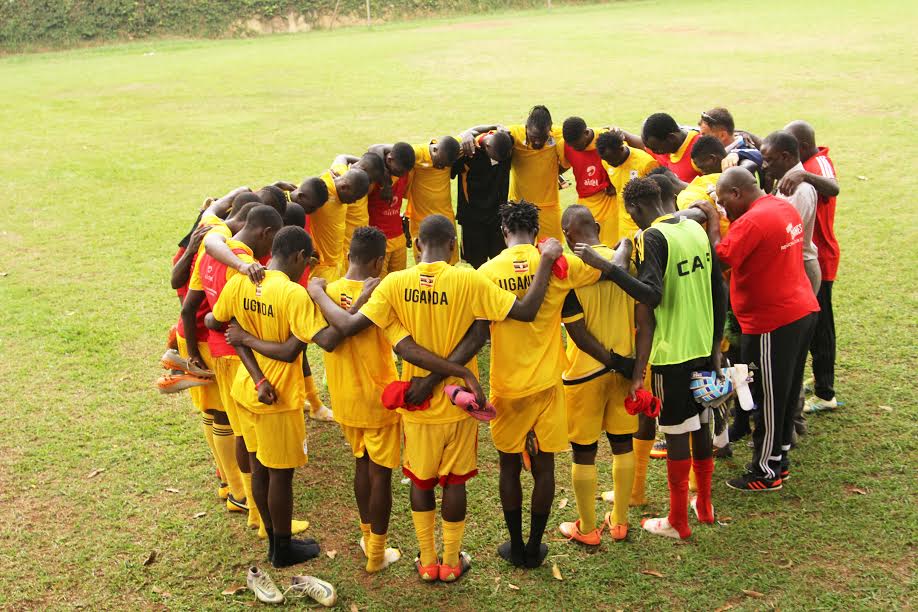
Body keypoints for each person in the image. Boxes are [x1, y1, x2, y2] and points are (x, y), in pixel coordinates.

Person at [306, 214, 564, 582]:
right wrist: (453, 373)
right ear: (454, 246)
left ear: (415, 247)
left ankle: (427, 562)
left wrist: (427, 381)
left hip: (417, 403)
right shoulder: (470, 278)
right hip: (459, 405)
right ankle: (451, 560)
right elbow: (518, 314)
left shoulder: (395, 283)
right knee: (455, 483)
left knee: (422, 482)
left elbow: (369, 334)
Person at [226, 227, 408, 573]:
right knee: (380, 474)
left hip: (344, 399)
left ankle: (364, 535)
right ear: (379, 261)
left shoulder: (325, 291)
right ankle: (376, 552)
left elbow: (334, 335)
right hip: (378, 397)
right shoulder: (382, 290)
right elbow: (336, 336)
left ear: (347, 257)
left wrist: (320, 292)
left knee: (360, 465)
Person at [574, 177, 725, 539]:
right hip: (703, 344)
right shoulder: (693, 227)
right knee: (701, 425)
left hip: (673, 350)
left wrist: (606, 266)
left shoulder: (652, 238)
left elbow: (651, 297)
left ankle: (677, 521)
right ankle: (703, 505)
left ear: (635, 210)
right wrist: (717, 344)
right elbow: (718, 288)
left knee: (675, 432)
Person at [480, 201, 611, 567]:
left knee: (508, 467)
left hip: (506, 386)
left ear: (504, 232)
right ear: (536, 233)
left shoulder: (487, 272)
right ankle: (536, 546)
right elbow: (606, 267)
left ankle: (515, 545)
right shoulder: (556, 267)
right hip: (548, 384)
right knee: (544, 468)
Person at [209, 226, 340, 568]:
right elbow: (322, 342)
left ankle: (272, 537)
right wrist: (321, 296)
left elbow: (216, 319)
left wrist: (243, 335)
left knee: (259, 468)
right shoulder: (293, 294)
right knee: (280, 474)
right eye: (307, 262)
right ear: (299, 257)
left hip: (246, 387)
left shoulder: (241, 281)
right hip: (277, 398)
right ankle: (282, 548)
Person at [696, 167, 820, 490]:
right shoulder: (781, 207)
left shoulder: (752, 221)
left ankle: (765, 471)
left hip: (771, 322)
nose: (723, 209)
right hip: (801, 310)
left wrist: (711, 220)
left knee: (766, 395)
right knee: (787, 389)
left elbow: (720, 257)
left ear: (736, 193)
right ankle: (779, 458)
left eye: (723, 202)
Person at [196, 205, 284, 533]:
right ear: (266, 233)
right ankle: (261, 517)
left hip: (218, 353)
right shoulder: (246, 267)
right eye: (271, 244)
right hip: (238, 358)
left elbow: (209, 238)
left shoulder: (216, 245)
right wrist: (260, 375)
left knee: (238, 432)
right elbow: (238, 322)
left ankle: (247, 505)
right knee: (252, 439)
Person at [556, 205, 638, 544]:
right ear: (598, 227)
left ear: (566, 235)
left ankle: (587, 528)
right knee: (622, 443)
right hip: (624, 367)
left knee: (584, 451)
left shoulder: (570, 269)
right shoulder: (627, 262)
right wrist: (621, 362)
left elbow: (577, 333)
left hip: (584, 372)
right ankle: (619, 521)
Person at [783, 120, 841, 414]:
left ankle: (825, 392)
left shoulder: (818, 162)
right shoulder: (805, 165)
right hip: (807, 258)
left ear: (802, 148)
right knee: (809, 323)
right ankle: (816, 380)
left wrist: (803, 173)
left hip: (821, 259)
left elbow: (834, 188)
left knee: (821, 327)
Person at [459, 106, 566, 241]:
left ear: (550, 128)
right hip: (519, 208)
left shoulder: (559, 135)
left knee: (553, 252)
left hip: (549, 208)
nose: (538, 141)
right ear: (526, 127)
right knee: (519, 253)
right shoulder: (514, 134)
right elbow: (485, 137)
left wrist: (555, 172)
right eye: (534, 137)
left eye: (542, 137)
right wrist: (469, 135)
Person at [452, 129, 513, 268]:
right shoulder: (467, 151)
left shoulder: (507, 145)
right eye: (495, 158)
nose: (498, 161)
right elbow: (445, 159)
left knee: (501, 267)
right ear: (488, 147)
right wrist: (465, 134)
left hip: (499, 220)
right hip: (473, 223)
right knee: (476, 267)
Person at [307, 165, 371, 282]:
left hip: (338, 263)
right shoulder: (320, 193)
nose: (354, 202)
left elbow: (342, 158)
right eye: (355, 197)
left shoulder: (341, 187)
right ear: (344, 187)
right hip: (321, 268)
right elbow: (296, 200)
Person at [560, 117, 619, 245]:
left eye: (576, 144)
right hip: (585, 203)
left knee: (611, 247)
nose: (574, 148)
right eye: (571, 145)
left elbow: (623, 160)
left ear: (586, 133)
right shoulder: (565, 145)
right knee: (588, 248)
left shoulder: (605, 137)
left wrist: (614, 183)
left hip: (609, 201)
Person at [595, 129, 659, 242]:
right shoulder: (607, 161)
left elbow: (658, 197)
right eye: (606, 160)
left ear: (621, 148)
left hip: (644, 222)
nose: (610, 164)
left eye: (612, 160)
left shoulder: (646, 163)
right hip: (624, 223)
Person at [406, 136, 462, 264]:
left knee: (449, 265)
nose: (442, 167)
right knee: (424, 266)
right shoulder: (418, 153)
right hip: (421, 222)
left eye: (446, 166)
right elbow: (386, 150)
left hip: (446, 220)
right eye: (440, 163)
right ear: (435, 149)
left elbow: (470, 133)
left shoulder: (451, 150)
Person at [639, 112, 701, 182]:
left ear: (671, 138)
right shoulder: (667, 147)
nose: (654, 152)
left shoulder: (699, 151)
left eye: (656, 149)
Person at [698, 107, 764, 172]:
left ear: (722, 135)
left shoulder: (744, 149)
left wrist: (736, 153)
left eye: (704, 135)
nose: (700, 139)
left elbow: (760, 156)